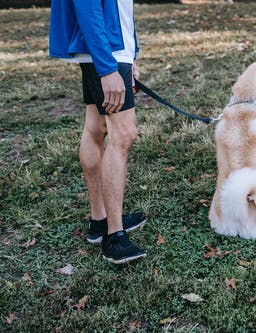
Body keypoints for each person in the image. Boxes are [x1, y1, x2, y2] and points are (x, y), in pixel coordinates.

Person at [49, 0, 147, 264]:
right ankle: (114, 236)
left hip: (111, 50)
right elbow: (86, 6)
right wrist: (108, 68)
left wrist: (131, 53)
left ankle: (100, 220)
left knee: (97, 126)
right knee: (124, 134)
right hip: (105, 53)